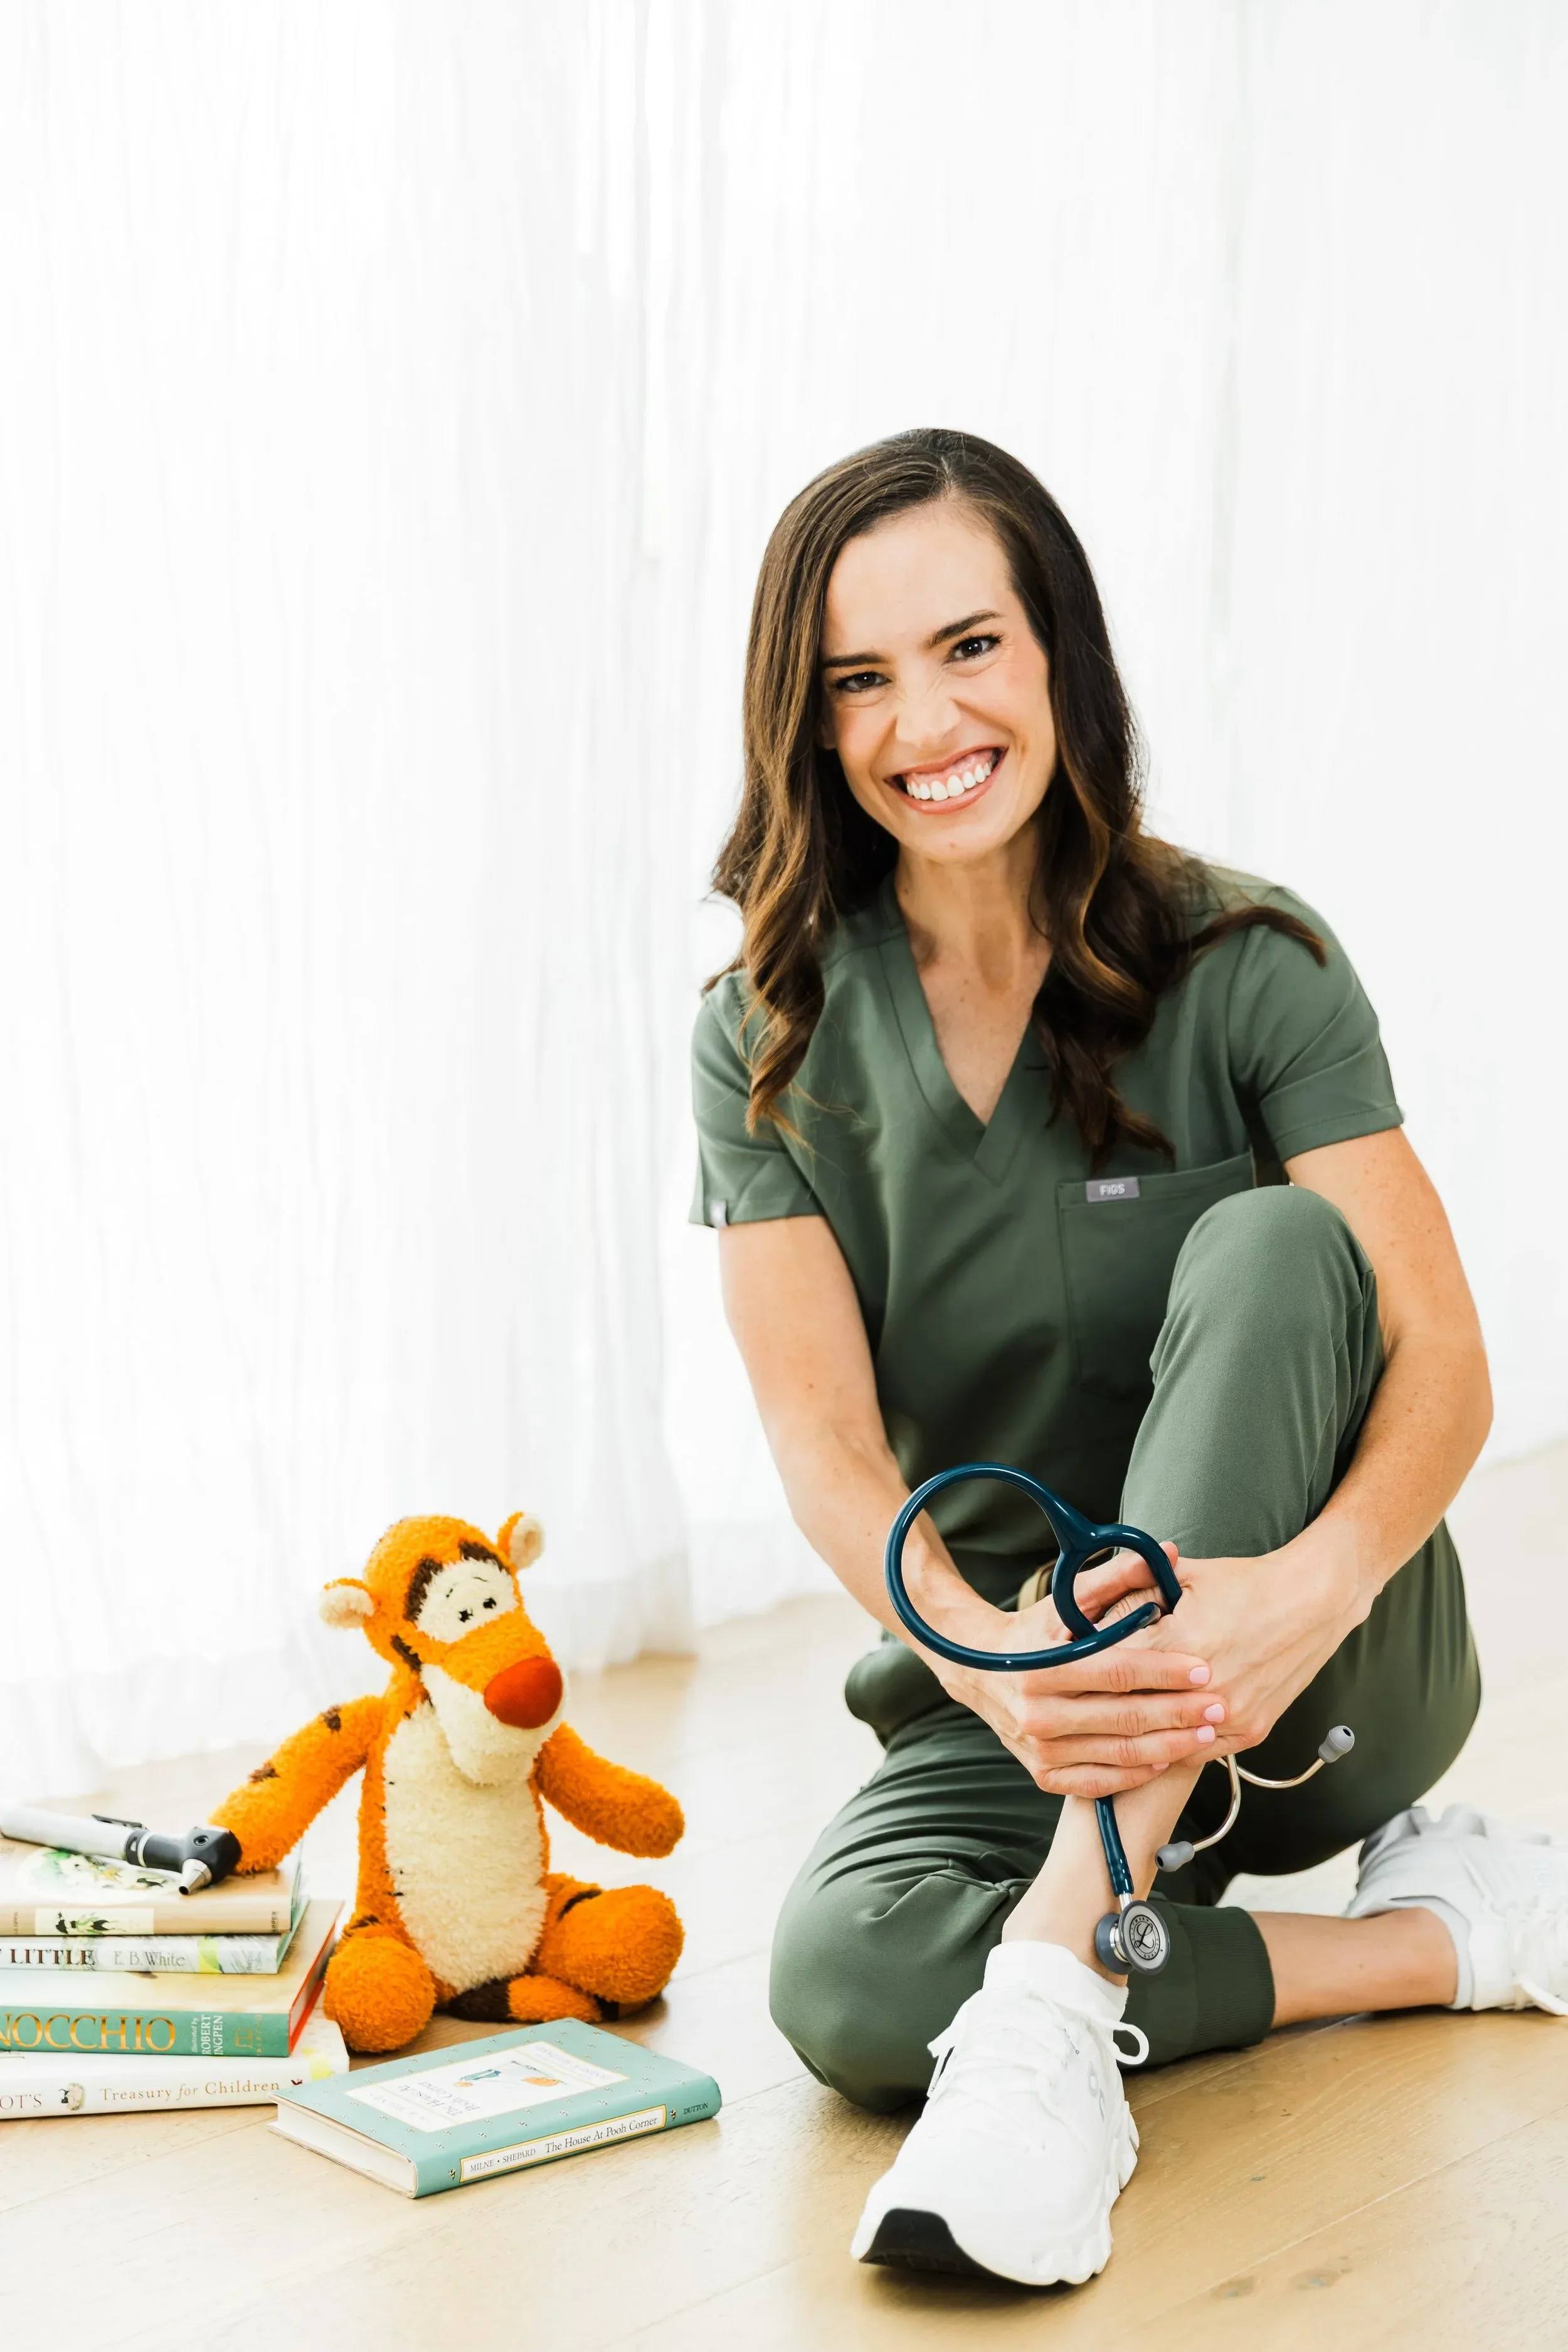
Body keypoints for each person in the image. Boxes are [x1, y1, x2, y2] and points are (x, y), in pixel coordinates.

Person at [689, 428, 1568, 2289]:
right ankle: (1435, 1940)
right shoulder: (764, 1034)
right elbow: (826, 1450)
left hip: (1312, 1672)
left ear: (1057, 655)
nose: (922, 717)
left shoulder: (1248, 958)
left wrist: (1300, 1590)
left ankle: (1042, 2017)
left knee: (1272, 1238)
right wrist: (985, 1655)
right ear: (806, 716)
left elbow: (1447, 1360)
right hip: (1030, 1693)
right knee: (841, 1981)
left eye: (968, 646)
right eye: (857, 678)